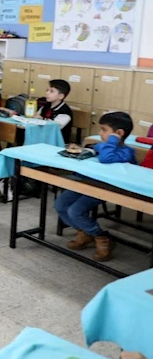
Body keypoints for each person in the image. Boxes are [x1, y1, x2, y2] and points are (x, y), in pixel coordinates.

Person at [56, 112, 136, 262]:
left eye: (104, 130)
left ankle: (101, 237)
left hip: (105, 188)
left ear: (119, 133)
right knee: (61, 205)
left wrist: (112, 140)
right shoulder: (104, 146)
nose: (100, 133)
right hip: (86, 182)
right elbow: (95, 147)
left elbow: (106, 158)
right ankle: (84, 232)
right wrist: (84, 148)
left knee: (75, 211)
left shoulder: (127, 152)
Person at [35, 79, 73, 143]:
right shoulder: (46, 105)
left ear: (61, 96)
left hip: (57, 142)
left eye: (51, 91)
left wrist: (42, 119)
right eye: (47, 90)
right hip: (42, 137)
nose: (47, 93)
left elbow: (54, 127)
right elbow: (36, 116)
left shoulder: (65, 111)